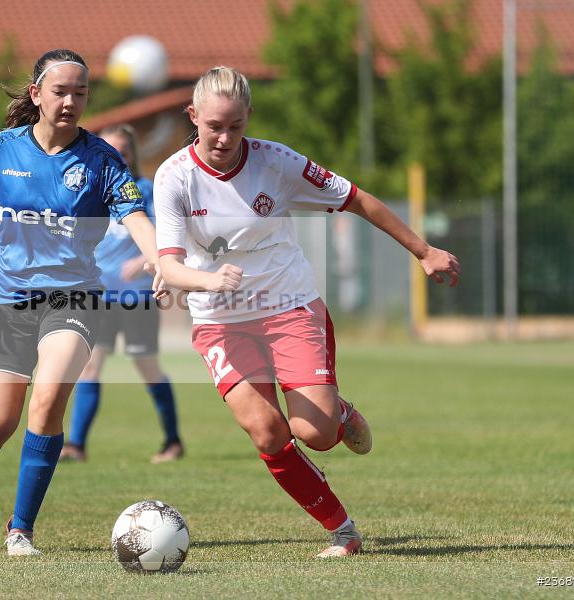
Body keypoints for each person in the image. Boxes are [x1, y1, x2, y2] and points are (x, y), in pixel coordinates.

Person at [153, 67, 461, 558]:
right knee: (267, 431)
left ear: (249, 116)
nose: (225, 137)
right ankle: (343, 531)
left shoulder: (277, 162)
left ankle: (336, 411)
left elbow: (356, 199)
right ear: (194, 117)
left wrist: (423, 251)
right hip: (220, 320)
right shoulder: (173, 177)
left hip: (287, 306)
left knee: (315, 435)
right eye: (214, 126)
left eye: (235, 125)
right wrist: (202, 278)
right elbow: (169, 264)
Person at [0, 49, 163, 557]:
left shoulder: (101, 159)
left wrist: (158, 259)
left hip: (75, 297)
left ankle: (19, 530)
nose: (70, 101)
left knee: (46, 402)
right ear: (37, 94)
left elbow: (135, 217)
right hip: (7, 302)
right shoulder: (3, 149)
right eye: (60, 91)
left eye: (80, 93)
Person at [60, 124, 184, 465]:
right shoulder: (91, 193)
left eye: (124, 151)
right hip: (100, 297)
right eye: (111, 151)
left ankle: (172, 441)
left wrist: (143, 259)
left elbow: (165, 237)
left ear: (132, 155)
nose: (118, 156)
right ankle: (76, 445)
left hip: (137, 297)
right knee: (89, 367)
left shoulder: (145, 190)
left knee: (148, 368)